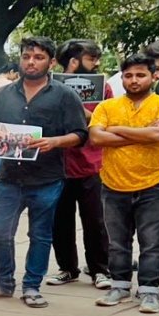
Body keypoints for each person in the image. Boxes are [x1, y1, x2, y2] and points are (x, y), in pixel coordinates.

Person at [0, 37, 88, 308]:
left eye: (39, 57)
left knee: (41, 234)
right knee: (0, 232)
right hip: (9, 177)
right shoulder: (3, 94)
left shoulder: (65, 95)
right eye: (27, 56)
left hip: (47, 178)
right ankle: (3, 282)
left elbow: (81, 134)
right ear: (20, 59)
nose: (31, 62)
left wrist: (55, 142)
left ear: (52, 62)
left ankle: (32, 286)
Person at [87, 54, 159, 314]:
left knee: (152, 242)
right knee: (117, 242)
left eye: (140, 75)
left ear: (154, 76)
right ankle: (119, 286)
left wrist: (116, 130)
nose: (134, 80)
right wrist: (143, 135)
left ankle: (149, 291)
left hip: (154, 183)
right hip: (113, 183)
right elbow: (96, 138)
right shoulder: (107, 107)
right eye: (129, 75)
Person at [46, 39, 112, 291]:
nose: (96, 63)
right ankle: (67, 268)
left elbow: (104, 120)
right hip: (58, 164)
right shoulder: (49, 87)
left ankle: (99, 269)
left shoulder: (103, 88)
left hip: (91, 164)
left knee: (95, 221)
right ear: (72, 61)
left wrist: (78, 107)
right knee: (60, 221)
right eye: (90, 58)